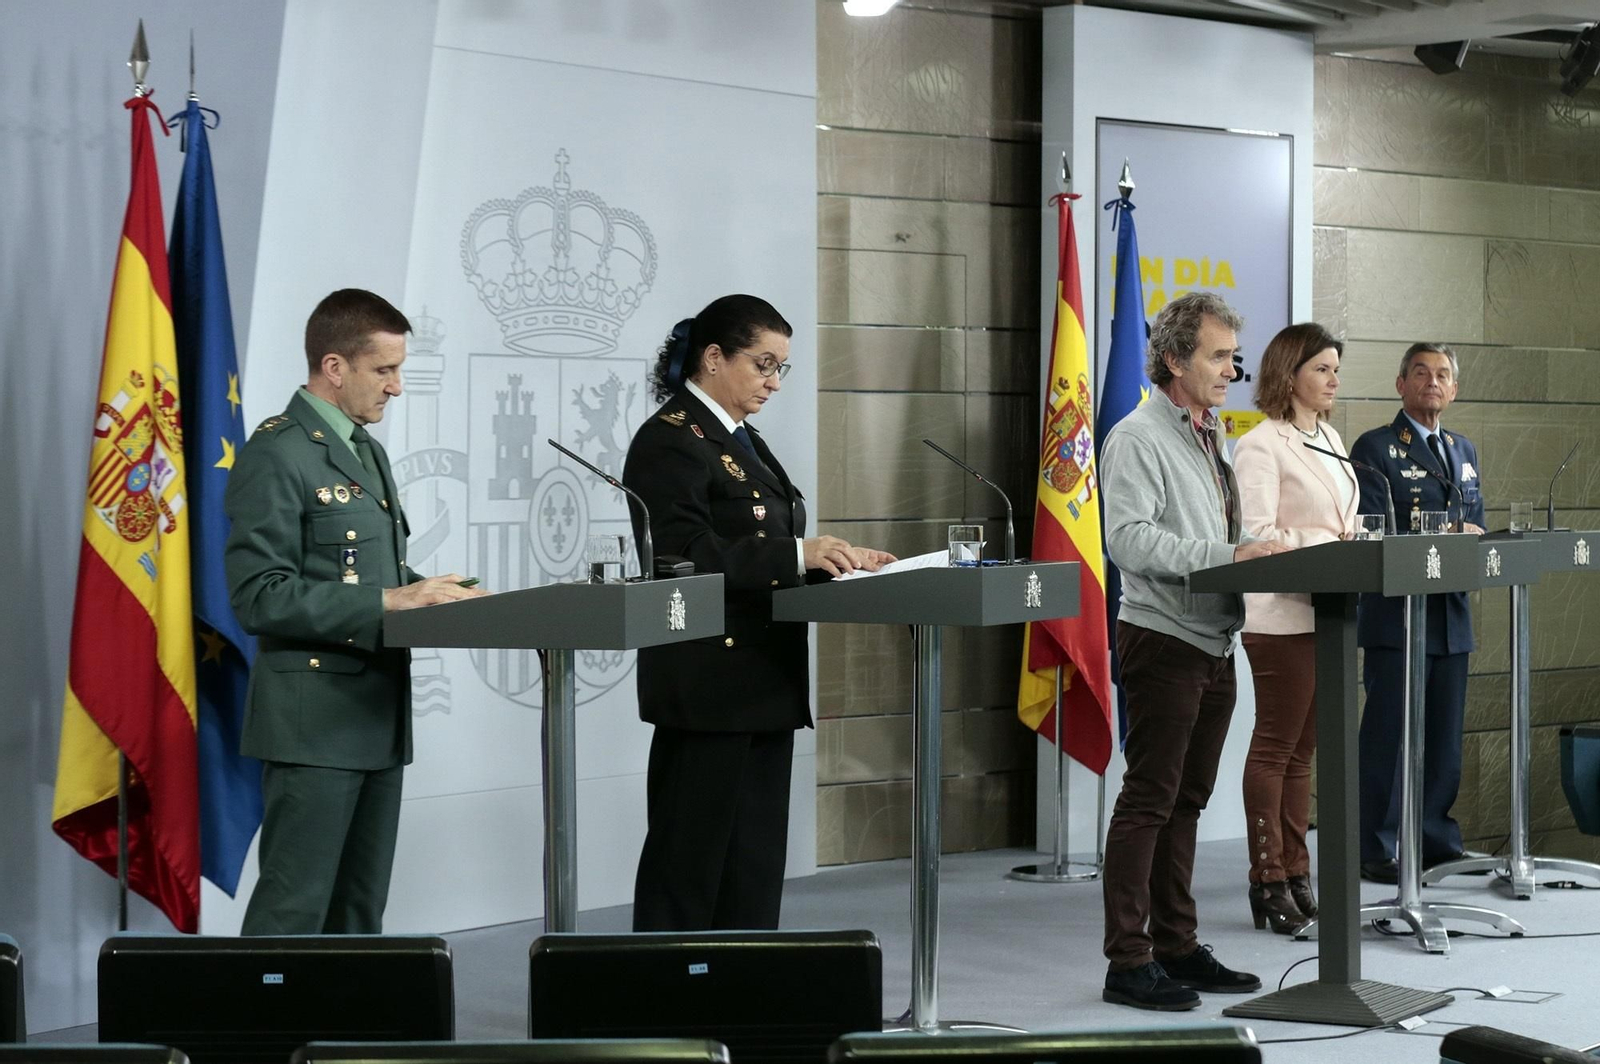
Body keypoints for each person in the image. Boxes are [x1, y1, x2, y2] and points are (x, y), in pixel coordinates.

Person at [622, 294, 893, 932]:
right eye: (763, 364)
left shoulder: (741, 438)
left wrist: (834, 559)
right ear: (713, 358)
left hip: (764, 677)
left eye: (781, 368)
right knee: (688, 866)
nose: (773, 382)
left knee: (752, 866)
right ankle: (665, 1008)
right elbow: (683, 553)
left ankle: (741, 1000)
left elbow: (762, 543)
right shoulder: (671, 440)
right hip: (707, 683)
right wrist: (798, 553)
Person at [225, 288, 484, 934]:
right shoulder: (278, 452)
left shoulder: (363, 449)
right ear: (334, 367)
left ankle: (341, 1038)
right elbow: (259, 593)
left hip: (375, 717)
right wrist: (387, 601)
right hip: (315, 727)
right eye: (384, 370)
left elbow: (381, 575)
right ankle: (255, 1038)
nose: (397, 387)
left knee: (358, 919)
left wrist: (441, 594)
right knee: (292, 914)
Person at [1098, 291, 1286, 1011]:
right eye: (1218, 355)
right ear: (1174, 358)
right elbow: (1130, 540)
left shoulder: (1213, 436)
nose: (1231, 370)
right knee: (1149, 800)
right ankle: (1128, 960)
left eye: (1234, 357)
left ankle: (1176, 943)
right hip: (1163, 638)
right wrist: (1230, 555)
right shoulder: (1137, 436)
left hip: (1214, 639)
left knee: (1188, 803)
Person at [1232, 323, 1358, 933]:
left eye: (1336, 369)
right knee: (1276, 747)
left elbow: (1343, 519)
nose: (1334, 380)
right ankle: (1266, 879)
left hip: (1327, 608)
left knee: (1303, 753)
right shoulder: (1261, 445)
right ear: (1290, 375)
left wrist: (1352, 540)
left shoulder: (1330, 437)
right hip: (1278, 612)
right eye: (1323, 369)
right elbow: (1255, 537)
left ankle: (1297, 871)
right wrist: (1327, 541)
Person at [1349, 342, 1485, 884]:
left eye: (1443, 375)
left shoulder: (1464, 447)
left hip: (1450, 617)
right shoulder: (1376, 447)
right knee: (1389, 738)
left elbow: (1475, 524)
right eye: (1421, 372)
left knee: (1445, 742)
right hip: (1398, 618)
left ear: (1454, 389)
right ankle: (1375, 847)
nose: (1433, 382)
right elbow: (1374, 531)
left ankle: (1434, 839)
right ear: (1400, 384)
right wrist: (1445, 533)